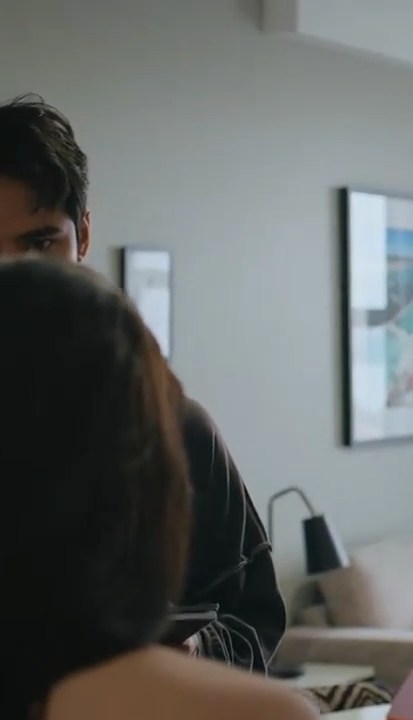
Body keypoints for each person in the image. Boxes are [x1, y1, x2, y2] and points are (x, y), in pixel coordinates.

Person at [0, 93, 286, 672]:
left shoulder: (175, 428)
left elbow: (254, 620)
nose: (13, 274)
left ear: (82, 235)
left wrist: (192, 648)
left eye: (39, 242)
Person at [0, 258, 318, 720]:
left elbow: (255, 618)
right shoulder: (256, 712)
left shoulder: (189, 433)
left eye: (39, 240)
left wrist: (201, 644)